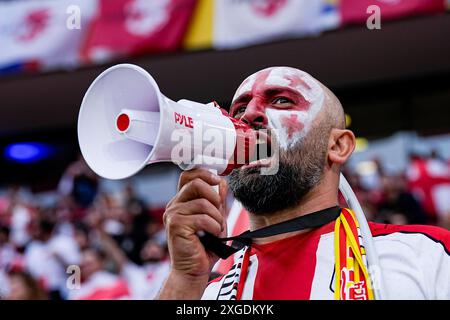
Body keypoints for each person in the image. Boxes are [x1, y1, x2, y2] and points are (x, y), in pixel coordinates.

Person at [157, 67, 450, 300]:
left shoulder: (428, 256)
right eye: (238, 110)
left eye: (281, 100)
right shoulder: (206, 293)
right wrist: (184, 279)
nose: (248, 116)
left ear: (337, 146)